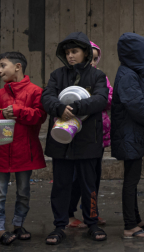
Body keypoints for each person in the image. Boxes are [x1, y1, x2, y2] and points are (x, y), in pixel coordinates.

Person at [41, 32, 110, 245]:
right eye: (67, 52)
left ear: (85, 53)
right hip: (61, 141)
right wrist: (59, 108)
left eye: (75, 51)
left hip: (88, 140)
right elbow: (47, 97)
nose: (70, 56)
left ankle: (92, 223)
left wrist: (77, 107)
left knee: (89, 184)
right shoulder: (57, 75)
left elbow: (101, 99)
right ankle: (59, 226)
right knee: (61, 185)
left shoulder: (97, 76)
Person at [0, 51, 46, 245]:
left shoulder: (35, 91)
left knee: (24, 192)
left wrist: (19, 111)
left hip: (24, 151)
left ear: (17, 67)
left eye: (3, 65)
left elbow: (39, 116)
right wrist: (3, 113)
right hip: (2, 152)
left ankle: (18, 224)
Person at [110, 33, 144, 239]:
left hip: (132, 135)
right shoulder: (128, 75)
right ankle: (130, 226)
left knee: (133, 180)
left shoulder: (131, 73)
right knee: (131, 182)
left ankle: (136, 219)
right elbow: (138, 107)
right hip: (129, 136)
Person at [69, 42, 112, 228]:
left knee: (93, 177)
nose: (93, 62)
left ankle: (91, 212)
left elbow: (108, 99)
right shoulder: (68, 76)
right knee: (76, 179)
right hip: (75, 136)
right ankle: (69, 214)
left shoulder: (101, 77)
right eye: (90, 58)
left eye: (96, 58)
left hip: (98, 136)